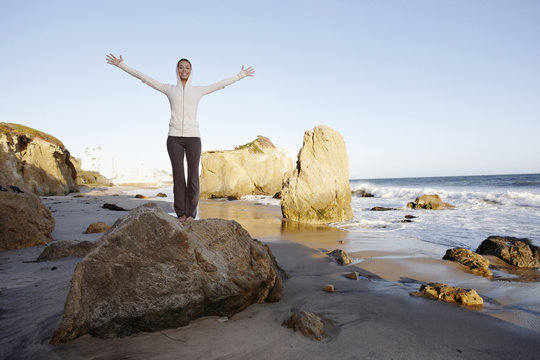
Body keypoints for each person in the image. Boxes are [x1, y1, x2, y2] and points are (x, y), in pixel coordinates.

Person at [106, 54, 255, 222]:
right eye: (181, 67)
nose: (184, 70)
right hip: (174, 138)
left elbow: (220, 85)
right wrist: (122, 65)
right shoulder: (169, 89)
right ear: (177, 70)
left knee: (192, 177)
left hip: (193, 138)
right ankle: (181, 214)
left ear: (191, 71)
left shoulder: (198, 90)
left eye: (187, 67)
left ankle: (191, 214)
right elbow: (144, 78)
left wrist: (240, 75)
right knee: (178, 177)